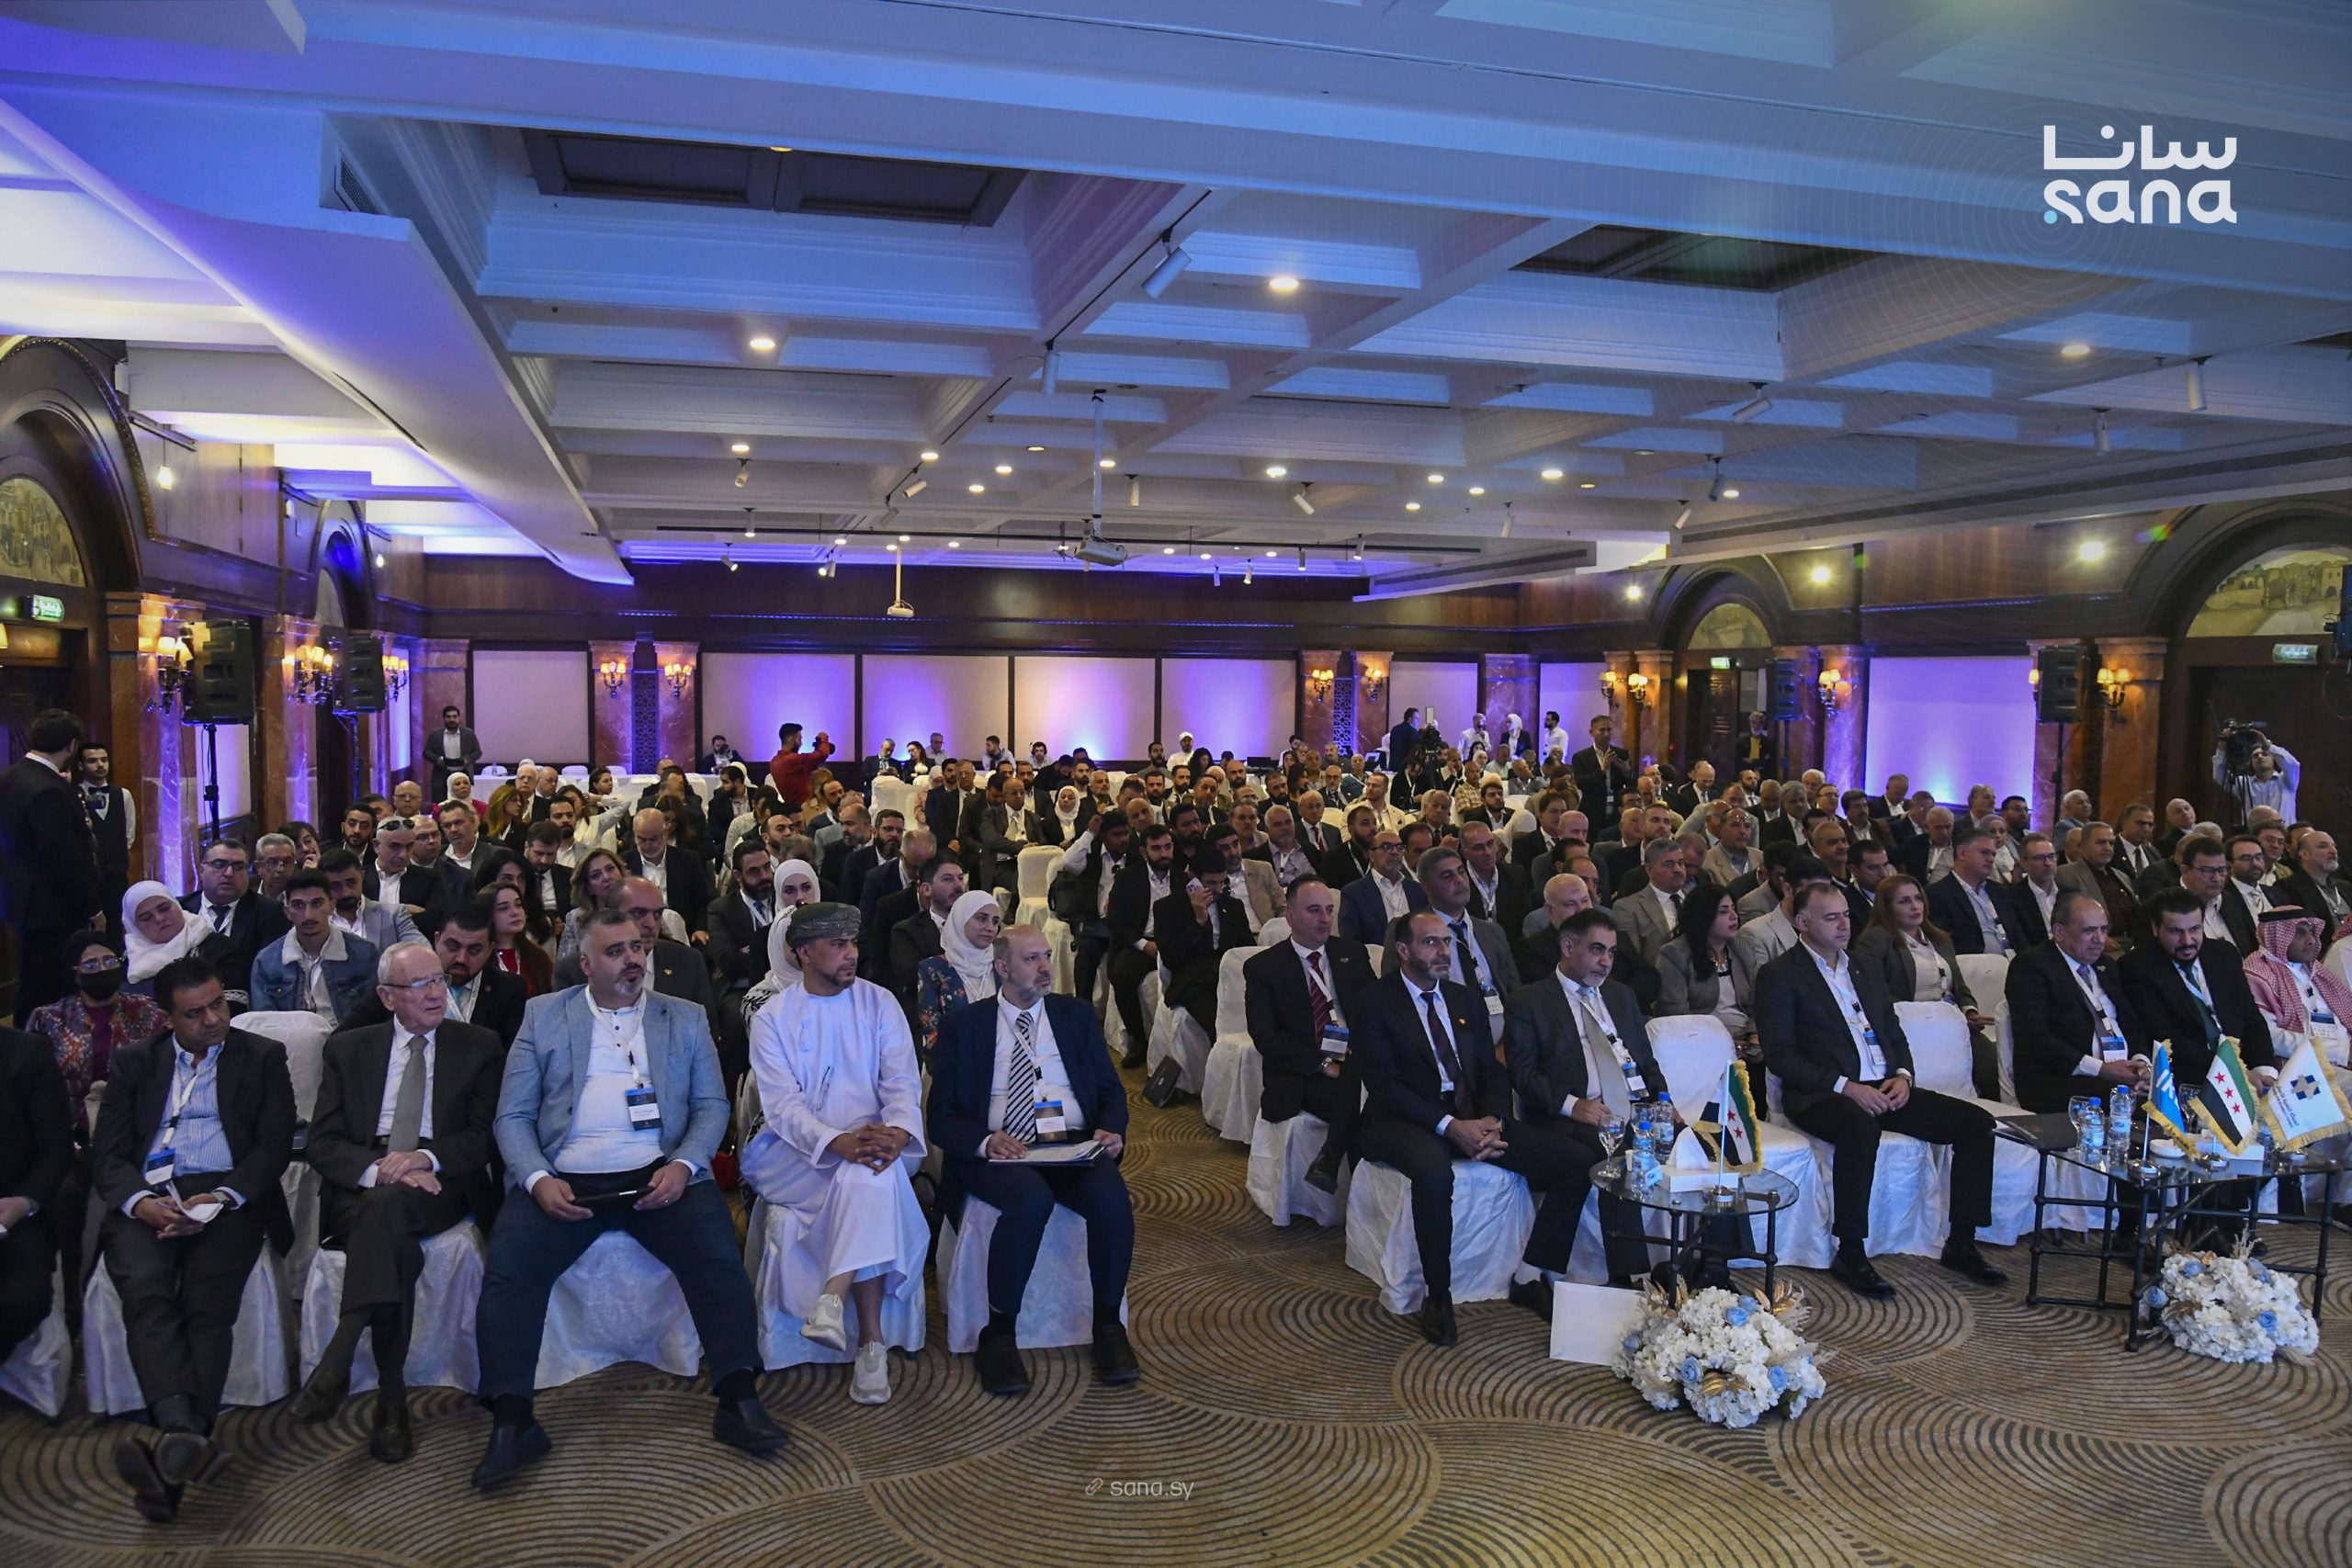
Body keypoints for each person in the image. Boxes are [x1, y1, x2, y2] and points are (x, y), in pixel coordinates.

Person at [471, 909, 783, 1489]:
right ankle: (513, 1420)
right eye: (615, 951)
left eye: (638, 948)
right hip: (566, 1179)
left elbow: (711, 1107)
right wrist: (537, 1179)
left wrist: (684, 1166)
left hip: (658, 1175)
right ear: (585, 964)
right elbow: (512, 1115)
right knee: (509, 1271)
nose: (633, 959)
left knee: (718, 1257)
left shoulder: (683, 1017)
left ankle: (738, 1398)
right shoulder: (545, 1015)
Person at [92, 959, 295, 1523]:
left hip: (225, 1195)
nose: (213, 1019)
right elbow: (108, 1155)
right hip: (149, 1195)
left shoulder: (262, 1057)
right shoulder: (135, 1063)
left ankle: (174, 1446)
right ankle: (185, 1438)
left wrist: (222, 1198)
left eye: (218, 1005)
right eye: (195, 1013)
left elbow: (273, 1147)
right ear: (167, 1018)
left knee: (208, 1304)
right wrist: (141, 1202)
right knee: (146, 1293)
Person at [290, 940, 503, 1461]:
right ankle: (390, 1399)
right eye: (419, 984)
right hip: (365, 1182)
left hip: (438, 1183)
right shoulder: (349, 1049)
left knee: (386, 1212)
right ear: (387, 997)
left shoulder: (478, 1045)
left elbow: (484, 1137)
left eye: (439, 981)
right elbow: (323, 1141)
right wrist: (379, 1171)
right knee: (393, 1235)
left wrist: (424, 1160)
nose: (436, 993)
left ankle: (345, 1357)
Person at [1354, 910, 1596, 1344]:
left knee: (1577, 1162)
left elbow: (1490, 1070)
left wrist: (1493, 1121)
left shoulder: (1464, 999)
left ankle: (1530, 1273)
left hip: (1473, 1116)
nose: (1443, 951)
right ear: (1403, 950)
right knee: (1433, 1173)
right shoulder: (1374, 1002)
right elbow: (1386, 1087)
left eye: (1446, 942)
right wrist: (1451, 1127)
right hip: (1407, 1120)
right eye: (1431, 942)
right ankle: (1438, 1295)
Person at [1754, 885, 2003, 1300]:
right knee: (1859, 1129)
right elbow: (1780, 1055)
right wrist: (1846, 1087)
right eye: (1831, 917)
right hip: (1822, 1093)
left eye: (1846, 915)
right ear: (1802, 923)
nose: (1843, 924)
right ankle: (1851, 1251)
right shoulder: (1780, 974)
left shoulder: (1864, 967)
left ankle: (1962, 1241)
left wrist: (1903, 1075)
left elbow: (1892, 1030)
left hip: (1885, 1085)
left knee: (1976, 1123)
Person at [928, 925, 1137, 1396]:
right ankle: (999, 1334)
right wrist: (984, 1141)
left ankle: (1108, 1326)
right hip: (1001, 1151)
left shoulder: (1074, 1016)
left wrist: (1111, 1130)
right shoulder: (967, 1026)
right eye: (1032, 959)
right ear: (1002, 967)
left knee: (1112, 1201)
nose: (1046, 967)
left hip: (1071, 1144)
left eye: (1046, 956)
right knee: (1029, 1202)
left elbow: (1110, 1091)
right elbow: (941, 1117)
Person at [740, 904, 928, 1406]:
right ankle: (871, 1347)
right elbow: (782, 1108)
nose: (851, 955)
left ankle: (834, 1304)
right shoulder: (773, 1018)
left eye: (854, 944)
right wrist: (835, 1141)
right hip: (797, 1157)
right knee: (867, 1176)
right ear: (804, 953)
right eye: (838, 945)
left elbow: (902, 1084)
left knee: (868, 1173)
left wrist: (897, 1132)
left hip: (877, 1144)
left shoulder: (879, 1003)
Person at [1501, 909, 1683, 1293]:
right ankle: (1630, 1276)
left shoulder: (1620, 996)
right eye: (1597, 950)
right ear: (1568, 947)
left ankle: (1706, 1264)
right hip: (1570, 1115)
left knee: (1710, 1143)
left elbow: (1646, 1062)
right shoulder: (1529, 1001)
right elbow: (1524, 1074)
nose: (1606, 961)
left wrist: (1664, 1103)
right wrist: (1574, 1106)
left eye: (1612, 952)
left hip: (1634, 1109)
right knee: (1618, 1154)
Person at [1244, 878, 1374, 1193]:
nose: (1325, 919)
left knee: (1362, 1081)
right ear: (1290, 917)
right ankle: (1363, 1198)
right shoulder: (1264, 968)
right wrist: (1322, 1064)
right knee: (1360, 1104)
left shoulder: (1352, 953)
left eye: (1329, 910)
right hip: (1302, 1072)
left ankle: (1331, 1158)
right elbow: (1266, 1037)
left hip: (1357, 1059)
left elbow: (1375, 1009)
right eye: (1314, 910)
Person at [2004, 890, 2154, 1114]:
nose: (2100, 939)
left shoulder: (2107, 966)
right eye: (2089, 931)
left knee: (2173, 1093)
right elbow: (2036, 1039)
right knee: (2146, 1109)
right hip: (2063, 1080)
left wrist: (2141, 1065)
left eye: (2104, 929)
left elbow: (2132, 1023)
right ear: (2060, 932)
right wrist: (2102, 1069)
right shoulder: (2030, 967)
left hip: (2119, 1075)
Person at [2118, 889, 2277, 1095]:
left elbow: (2250, 1017)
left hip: (2243, 1070)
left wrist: (2264, 1069)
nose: (2187, 941)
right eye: (2175, 932)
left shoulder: (2224, 954)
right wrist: (2234, 1073)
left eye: (2194, 929)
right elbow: (2165, 1038)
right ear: (2156, 929)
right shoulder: (2138, 966)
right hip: (2188, 1080)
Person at [0, 708, 104, 1022]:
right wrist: (93, 909)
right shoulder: (48, 788)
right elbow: (64, 859)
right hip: (51, 907)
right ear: (72, 745)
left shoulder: (11, 775)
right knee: (48, 988)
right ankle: (40, 1045)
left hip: (22, 900)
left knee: (31, 980)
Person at [1854, 874, 1996, 1098]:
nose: (1915, 906)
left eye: (1918, 898)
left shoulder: (1939, 939)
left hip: (1953, 1023)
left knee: (1993, 1070)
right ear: (1887, 908)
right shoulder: (1875, 940)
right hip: (1912, 1026)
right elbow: (1873, 992)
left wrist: (1969, 1011)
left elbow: (1959, 986)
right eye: (1904, 901)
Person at [0, 1014, 72, 1370]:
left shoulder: (26, 1054)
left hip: (13, 1210)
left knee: (22, 1299)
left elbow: (55, 1148)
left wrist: (23, 1202)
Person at [250, 870, 379, 1022]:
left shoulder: (365, 954)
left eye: (317, 904)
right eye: (298, 905)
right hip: (290, 1036)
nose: (308, 915)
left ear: (332, 906)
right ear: (287, 911)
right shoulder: (266, 962)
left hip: (348, 1036)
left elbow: (373, 1019)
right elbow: (265, 1023)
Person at [1157, 847, 1253, 1034]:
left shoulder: (1233, 906)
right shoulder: (1168, 908)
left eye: (1222, 882)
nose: (1217, 889)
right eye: (1211, 883)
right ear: (1193, 878)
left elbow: (1247, 947)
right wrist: (1198, 921)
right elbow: (1171, 958)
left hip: (1229, 977)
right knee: (1220, 1025)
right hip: (1193, 982)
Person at [1656, 881, 1758, 1059]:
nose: (1734, 916)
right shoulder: (1674, 955)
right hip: (1700, 1047)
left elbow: (1760, 1001)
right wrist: (1724, 1044)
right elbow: (1677, 1015)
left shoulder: (1743, 948)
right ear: (1703, 917)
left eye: (1733, 908)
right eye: (1723, 911)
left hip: (1746, 1042)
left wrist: (1754, 1037)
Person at [1104, 825, 1178, 1066]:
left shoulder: (1182, 878)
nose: (1164, 853)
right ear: (1144, 852)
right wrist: (1144, 945)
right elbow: (1116, 920)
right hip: (1140, 942)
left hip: (1174, 942)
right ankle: (1138, 1039)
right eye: (1156, 848)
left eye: (1167, 847)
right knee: (1122, 975)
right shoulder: (1127, 878)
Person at [915, 889, 1002, 1059]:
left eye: (995, 921)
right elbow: (933, 1033)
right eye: (981, 918)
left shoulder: (1002, 965)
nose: (990, 927)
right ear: (961, 919)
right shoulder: (933, 969)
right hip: (954, 1063)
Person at [119, 882, 233, 1005]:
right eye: (146, 917)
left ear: (177, 905)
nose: (159, 919)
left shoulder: (218, 947)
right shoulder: (126, 961)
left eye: (164, 909)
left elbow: (232, 1007)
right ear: (134, 927)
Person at [1926, 827, 2019, 957]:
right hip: (1972, 965)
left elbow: (2019, 937)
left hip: (2014, 962)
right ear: (1962, 853)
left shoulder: (2001, 892)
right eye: (1985, 853)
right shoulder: (1937, 895)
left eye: (1993, 854)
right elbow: (1945, 947)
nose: (1991, 859)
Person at [1339, 828, 1426, 945]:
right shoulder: (1354, 893)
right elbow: (1350, 942)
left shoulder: (1418, 890)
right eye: (1386, 847)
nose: (1395, 852)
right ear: (1372, 855)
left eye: (1399, 847)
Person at [80, 740, 137, 921]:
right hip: (88, 878)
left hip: (117, 876)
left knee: (117, 924)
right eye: (93, 761)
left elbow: (129, 832)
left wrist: (116, 857)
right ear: (81, 765)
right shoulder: (74, 795)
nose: (100, 765)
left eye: (104, 760)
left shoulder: (123, 794)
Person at [479, 884, 554, 997]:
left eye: (518, 905)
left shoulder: (538, 956)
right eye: (504, 908)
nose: (515, 912)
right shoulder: (479, 959)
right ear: (487, 915)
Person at [2212, 733, 2300, 827]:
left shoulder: (2286, 781)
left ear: (2273, 759)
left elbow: (2293, 765)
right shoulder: (2244, 783)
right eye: (2255, 756)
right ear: (2251, 762)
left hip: (2283, 831)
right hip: (2255, 833)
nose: (2260, 757)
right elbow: (2219, 776)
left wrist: (2268, 746)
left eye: (2265, 754)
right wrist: (2222, 748)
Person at [768, 722, 837, 808]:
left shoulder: (774, 762)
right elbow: (822, 754)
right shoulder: (790, 760)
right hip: (804, 808)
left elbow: (807, 771)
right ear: (791, 739)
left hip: (793, 806)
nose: (801, 743)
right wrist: (824, 738)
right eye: (799, 739)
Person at [425, 706, 483, 804]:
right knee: (440, 805)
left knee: (464, 805)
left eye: (454, 716)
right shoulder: (435, 734)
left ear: (459, 718)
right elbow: (426, 752)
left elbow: (478, 752)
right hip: (442, 775)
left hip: (463, 773)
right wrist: (437, 759)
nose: (452, 719)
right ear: (443, 718)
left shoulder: (469, 734)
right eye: (448, 717)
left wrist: (468, 759)